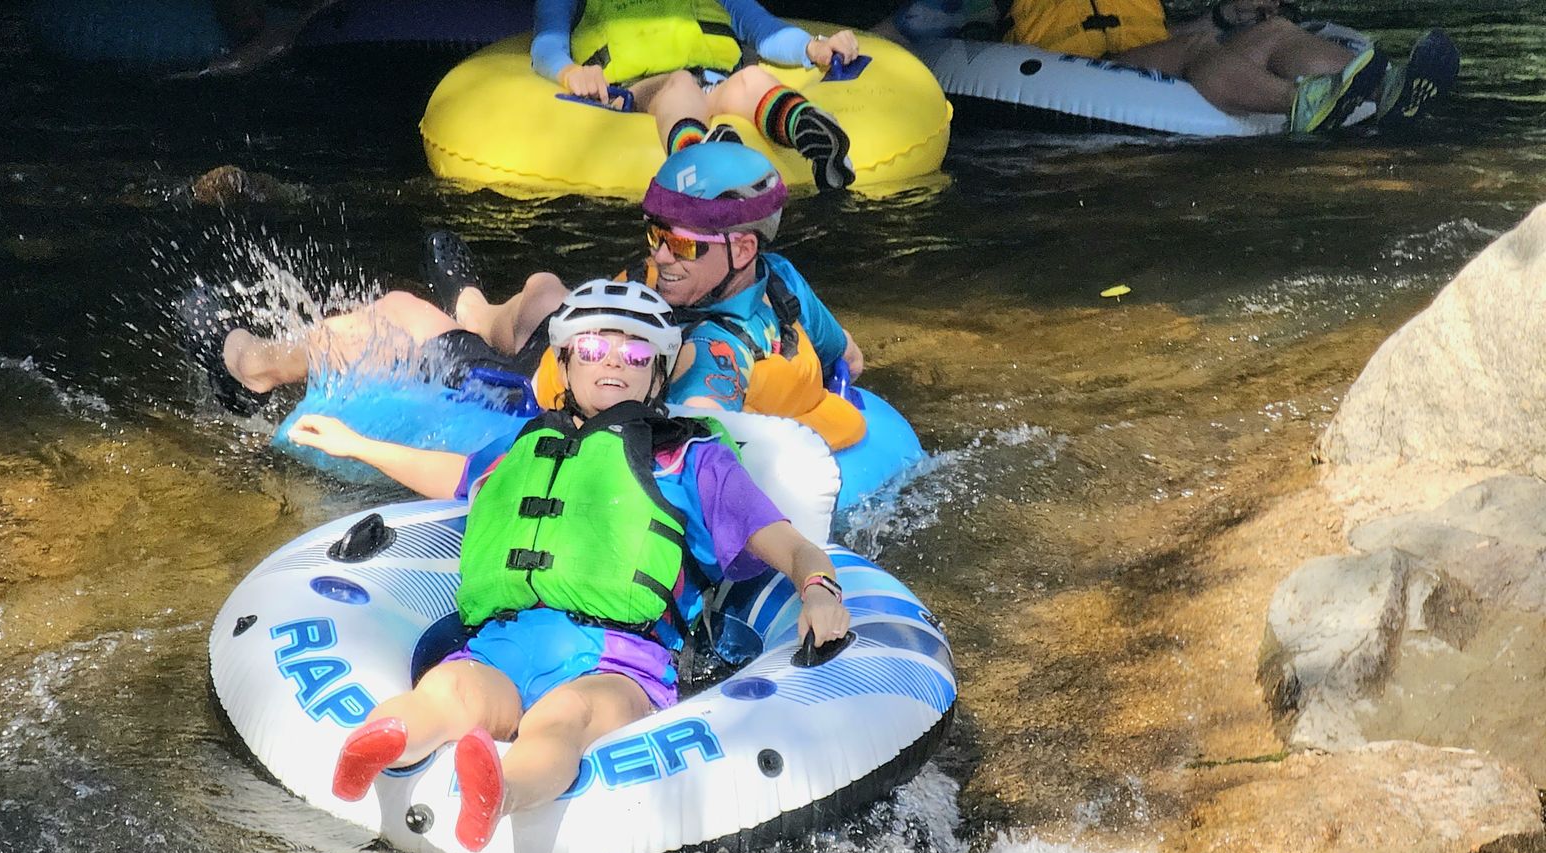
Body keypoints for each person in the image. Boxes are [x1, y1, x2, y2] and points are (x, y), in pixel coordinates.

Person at [283, 280, 852, 851]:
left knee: (565, 717)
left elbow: (789, 544)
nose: (611, 363)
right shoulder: (529, 446)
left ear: (657, 371)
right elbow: (457, 477)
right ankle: (382, 743)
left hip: (621, 659)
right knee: (449, 688)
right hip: (506, 639)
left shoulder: (693, 459)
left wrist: (820, 589)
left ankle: (498, 793)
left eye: (633, 353)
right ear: (565, 361)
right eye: (591, 349)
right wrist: (356, 445)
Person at [220, 143, 871, 450]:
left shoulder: (708, 353)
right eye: (655, 235)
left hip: (534, 387)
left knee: (397, 312)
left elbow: (699, 431)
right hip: (578, 330)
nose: (660, 256)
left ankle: (254, 368)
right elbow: (851, 359)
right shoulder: (782, 282)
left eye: (684, 246)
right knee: (545, 291)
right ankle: (473, 307)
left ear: (742, 249)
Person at [877, 0, 1384, 133]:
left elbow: (1158, 32)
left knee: (1274, 31)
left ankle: (1373, 82)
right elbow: (905, 30)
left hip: (1151, 54)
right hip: (1078, 67)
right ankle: (1302, 104)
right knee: (1198, 51)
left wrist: (1225, 15)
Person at [533, 0, 862, 189]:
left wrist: (814, 47)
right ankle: (702, 161)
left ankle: (806, 128)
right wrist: (572, 73)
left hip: (713, 83)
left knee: (751, 79)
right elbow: (547, 44)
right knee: (678, 85)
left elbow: (765, 31)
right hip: (640, 91)